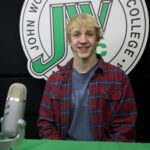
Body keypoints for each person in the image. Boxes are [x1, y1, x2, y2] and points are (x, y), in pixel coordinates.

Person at [37, 14, 137, 141]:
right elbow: (46, 125)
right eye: (76, 34)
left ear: (97, 39)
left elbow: (125, 126)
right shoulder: (54, 80)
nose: (83, 40)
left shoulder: (118, 78)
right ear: (69, 40)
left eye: (89, 34)